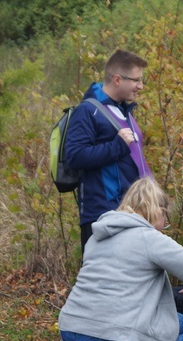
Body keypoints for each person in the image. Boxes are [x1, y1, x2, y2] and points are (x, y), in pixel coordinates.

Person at [57, 178, 183, 341]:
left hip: (70, 332)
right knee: (182, 326)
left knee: (110, 310)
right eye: (165, 216)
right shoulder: (150, 238)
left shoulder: (99, 235)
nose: (165, 223)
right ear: (157, 210)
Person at [64, 49, 151, 252]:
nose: (141, 86)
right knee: (102, 282)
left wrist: (154, 199)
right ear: (118, 79)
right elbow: (74, 157)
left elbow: (136, 161)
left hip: (132, 213)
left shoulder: (123, 111)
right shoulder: (87, 111)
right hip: (102, 216)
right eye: (136, 80)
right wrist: (117, 146)